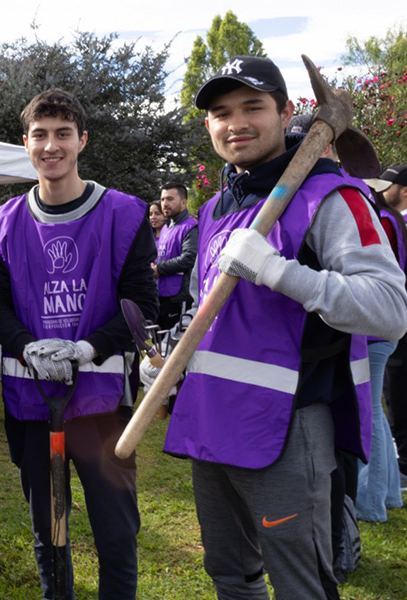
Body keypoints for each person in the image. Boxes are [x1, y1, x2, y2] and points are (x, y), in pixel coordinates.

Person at [162, 55, 407, 600]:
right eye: (221, 113)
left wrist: (281, 273)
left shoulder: (331, 197)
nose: (236, 123)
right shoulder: (217, 206)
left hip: (286, 429)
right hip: (212, 419)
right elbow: (221, 314)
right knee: (231, 575)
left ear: (286, 110)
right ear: (208, 126)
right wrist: (176, 350)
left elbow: (390, 308)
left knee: (300, 584)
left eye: (253, 106)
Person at [0, 88, 157, 600]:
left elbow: (142, 303)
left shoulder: (123, 214)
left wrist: (89, 349)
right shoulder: (4, 222)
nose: (51, 145)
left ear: (82, 140)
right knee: (50, 532)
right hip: (33, 407)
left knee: (116, 531)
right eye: (40, 135)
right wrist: (24, 346)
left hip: (102, 405)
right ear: (26, 143)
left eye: (63, 134)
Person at [375, 164, 407, 489]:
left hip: (388, 320)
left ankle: (397, 474)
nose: (379, 190)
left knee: (387, 399)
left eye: (387, 185)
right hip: (394, 319)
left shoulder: (386, 221)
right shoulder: (394, 220)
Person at [152, 183, 197, 330]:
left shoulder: (191, 226)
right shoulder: (165, 227)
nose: (165, 204)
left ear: (183, 202)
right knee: (158, 345)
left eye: (170, 199)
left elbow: (189, 258)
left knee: (173, 345)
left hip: (179, 298)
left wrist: (159, 268)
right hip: (161, 296)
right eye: (163, 199)